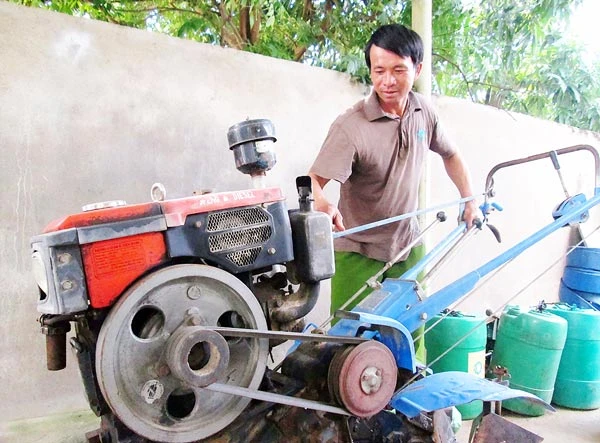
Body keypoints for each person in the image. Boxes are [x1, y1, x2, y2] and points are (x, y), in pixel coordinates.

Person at [308, 24, 478, 326]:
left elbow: (451, 154)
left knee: (410, 335)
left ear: (418, 68)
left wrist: (470, 200)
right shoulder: (351, 126)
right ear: (371, 72)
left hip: (409, 246)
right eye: (379, 71)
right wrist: (321, 202)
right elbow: (314, 181)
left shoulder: (424, 111)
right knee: (348, 343)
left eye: (399, 70)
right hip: (358, 250)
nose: (388, 81)